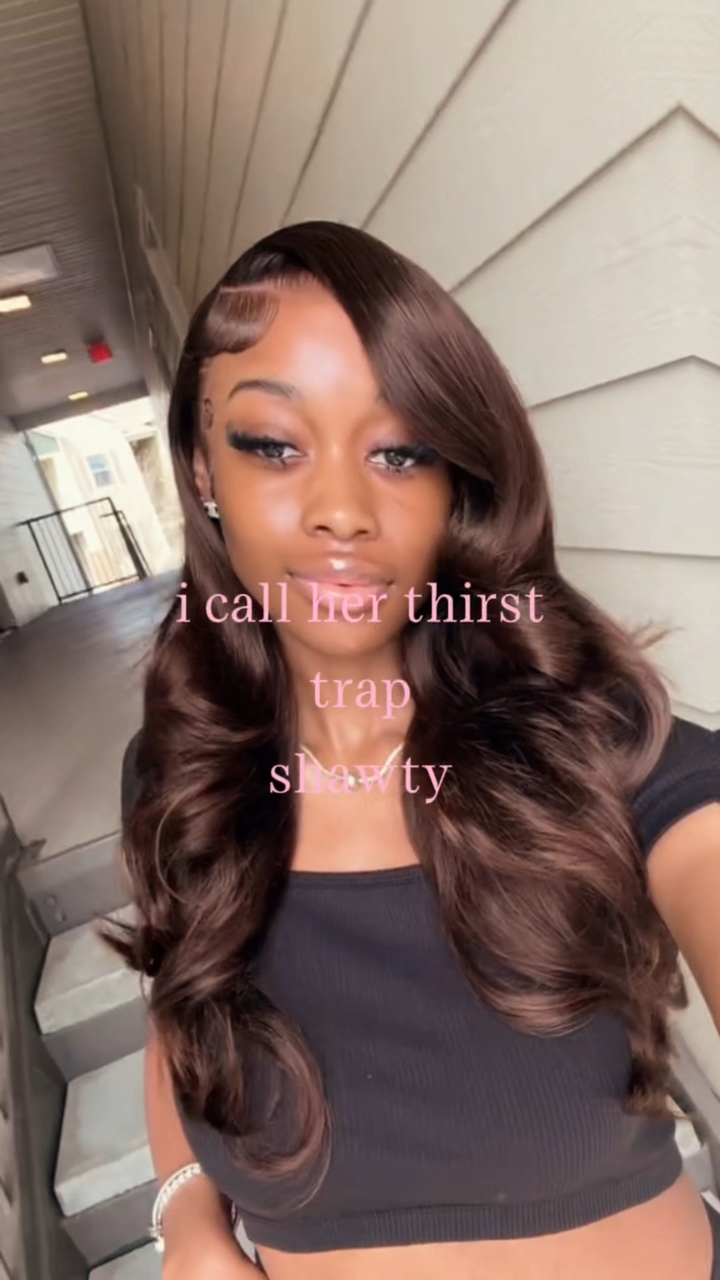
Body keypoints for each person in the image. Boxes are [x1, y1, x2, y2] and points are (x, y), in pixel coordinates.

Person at [109, 220, 720, 1280]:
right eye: (273, 444)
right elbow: (182, 1020)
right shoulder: (180, 775)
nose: (343, 511)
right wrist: (189, 1225)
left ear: (455, 486)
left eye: (400, 452)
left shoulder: (589, 740)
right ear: (204, 469)